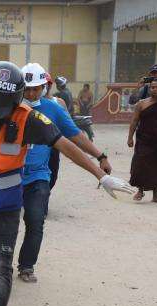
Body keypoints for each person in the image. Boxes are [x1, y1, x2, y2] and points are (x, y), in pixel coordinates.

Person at [0, 61, 133, 306]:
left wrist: (100, 174)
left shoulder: (28, 118)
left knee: (2, 266)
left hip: (6, 207)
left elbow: (65, 143)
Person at [17, 63, 113, 283]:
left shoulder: (53, 109)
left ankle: (26, 265)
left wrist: (101, 156)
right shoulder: (11, 107)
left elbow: (75, 135)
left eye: (36, 88)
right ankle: (1, 265)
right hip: (10, 175)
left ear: (45, 86)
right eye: (27, 88)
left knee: (35, 220)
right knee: (8, 224)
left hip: (38, 175)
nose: (31, 93)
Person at [128, 64, 157, 191]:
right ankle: (139, 186)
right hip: (145, 134)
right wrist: (138, 86)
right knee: (141, 159)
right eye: (152, 73)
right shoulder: (145, 90)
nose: (154, 75)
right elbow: (132, 101)